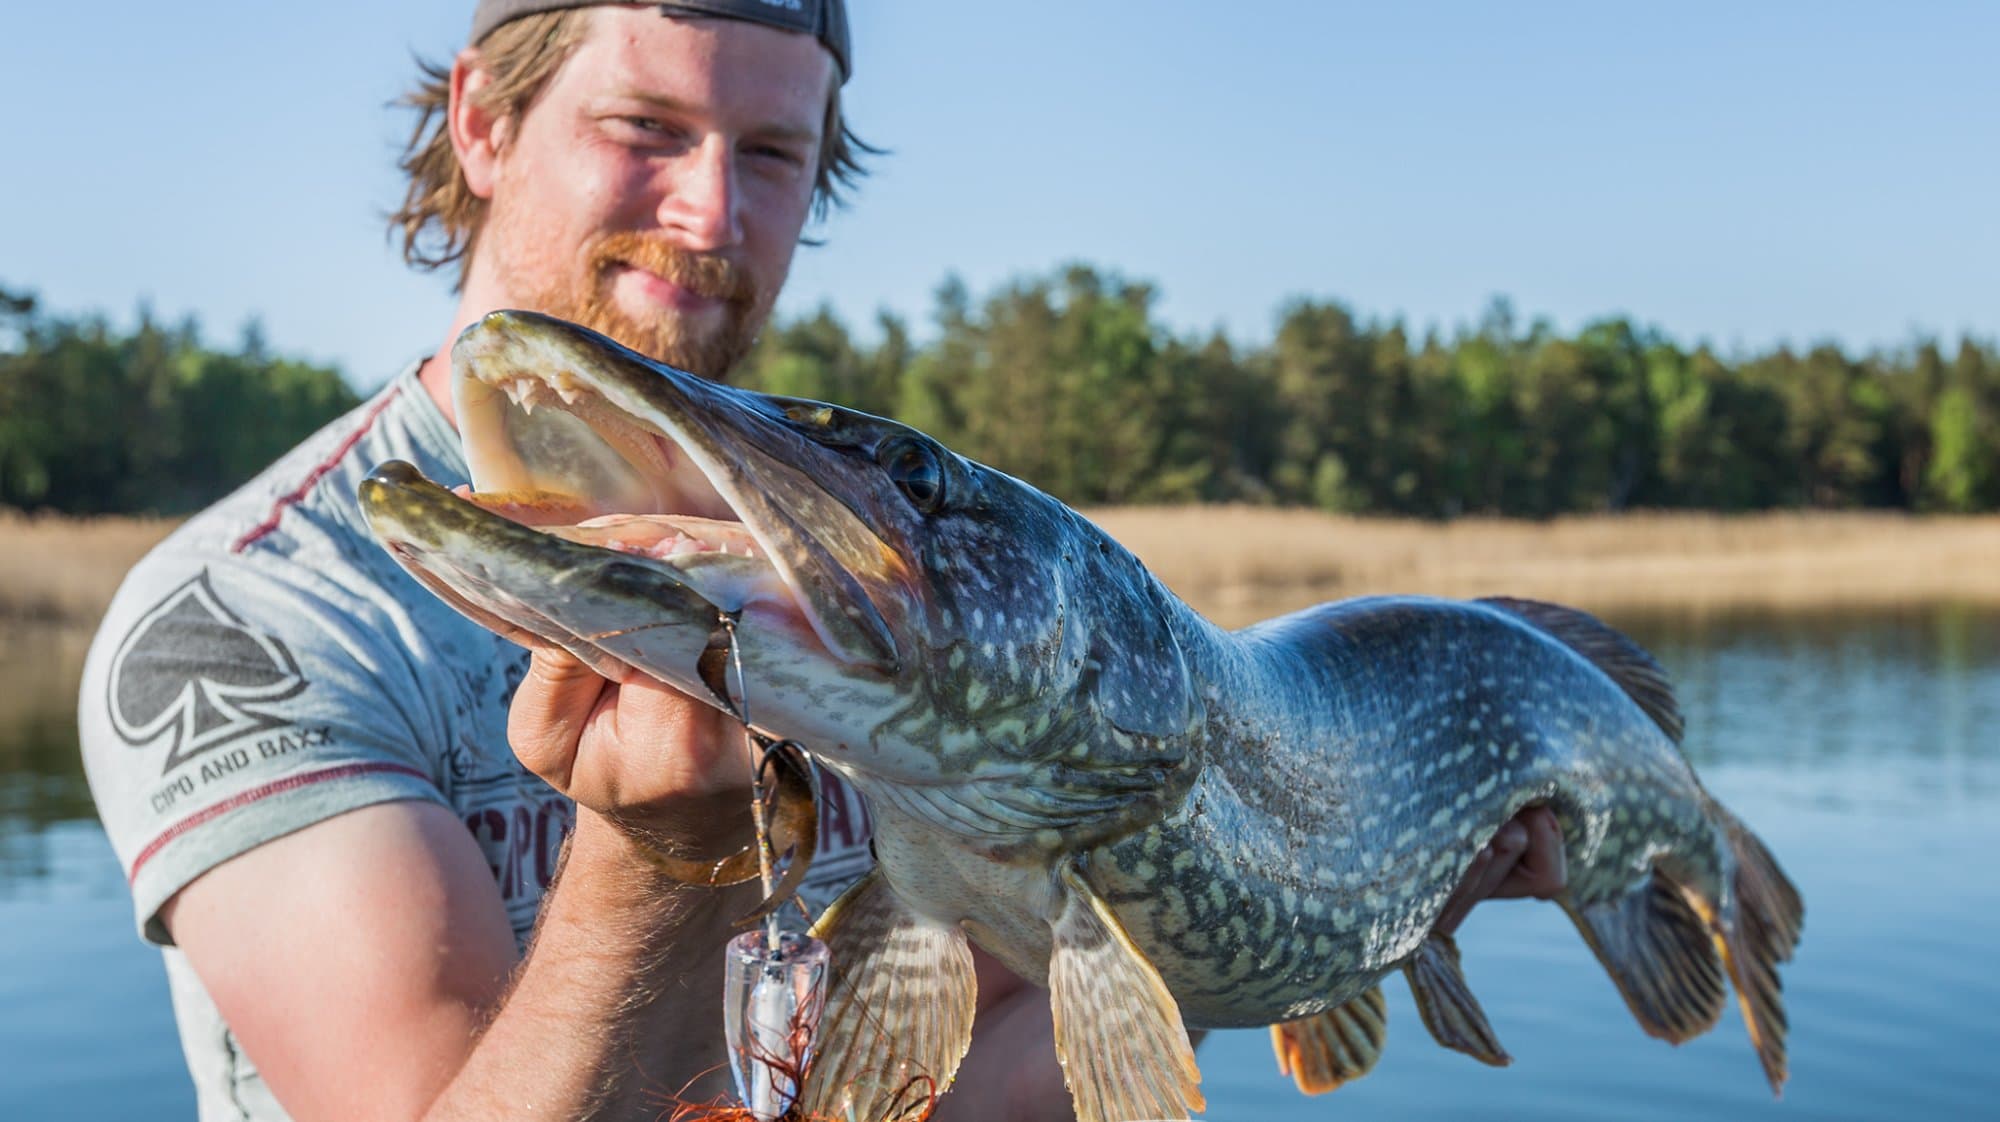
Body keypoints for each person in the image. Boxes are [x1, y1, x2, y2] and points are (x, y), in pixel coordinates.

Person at [78, 3, 1567, 1120]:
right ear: (481, 122)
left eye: (774, 153)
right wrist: (658, 869)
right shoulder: (247, 626)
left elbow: (953, 1065)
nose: (713, 215)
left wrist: (1338, 914)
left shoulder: (894, 620)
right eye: (647, 128)